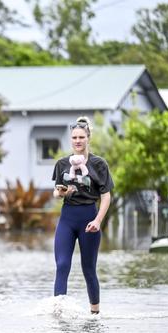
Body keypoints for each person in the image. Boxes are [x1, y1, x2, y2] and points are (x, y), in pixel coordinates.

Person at [52, 116, 113, 315]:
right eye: (74, 138)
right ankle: (59, 313)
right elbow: (55, 192)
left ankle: (95, 313)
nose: (77, 141)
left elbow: (106, 196)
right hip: (67, 219)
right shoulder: (62, 164)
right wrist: (61, 192)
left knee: (88, 269)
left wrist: (98, 220)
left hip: (89, 219)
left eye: (81, 137)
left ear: (88, 138)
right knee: (62, 265)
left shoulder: (99, 164)